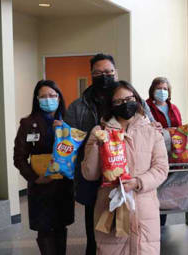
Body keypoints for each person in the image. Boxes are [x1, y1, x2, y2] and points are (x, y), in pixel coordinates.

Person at [65, 53, 157, 255]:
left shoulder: (133, 98)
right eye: (98, 73)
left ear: (116, 72)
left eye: (108, 72)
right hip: (95, 181)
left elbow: (149, 126)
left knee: (136, 233)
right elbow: (68, 142)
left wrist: (155, 127)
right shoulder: (79, 106)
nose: (104, 76)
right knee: (99, 236)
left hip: (129, 177)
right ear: (91, 75)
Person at [81, 81, 169, 255]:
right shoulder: (99, 131)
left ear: (136, 100)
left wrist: (138, 182)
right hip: (111, 208)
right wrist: (97, 147)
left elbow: (161, 169)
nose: (125, 105)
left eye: (129, 99)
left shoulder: (151, 131)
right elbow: (89, 174)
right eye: (118, 102)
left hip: (145, 209)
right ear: (110, 105)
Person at [14, 80, 74, 254]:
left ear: (59, 97)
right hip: (41, 186)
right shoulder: (28, 123)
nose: (48, 99)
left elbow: (77, 149)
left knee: (61, 227)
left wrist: (65, 131)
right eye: (43, 96)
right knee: (45, 229)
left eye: (52, 95)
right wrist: (35, 178)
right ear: (37, 99)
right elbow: (19, 157)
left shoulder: (68, 120)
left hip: (63, 185)